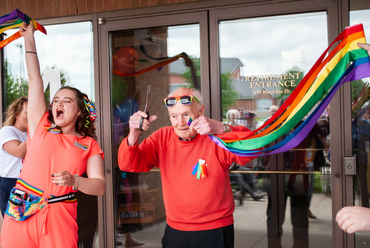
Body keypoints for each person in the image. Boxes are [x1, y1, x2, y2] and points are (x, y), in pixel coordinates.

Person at [1, 21, 106, 248]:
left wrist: (75, 181)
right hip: (21, 209)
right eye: (56, 100)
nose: (58, 103)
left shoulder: (88, 144)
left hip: (60, 214)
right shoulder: (40, 128)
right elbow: (34, 79)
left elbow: (99, 186)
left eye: (66, 101)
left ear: (79, 112)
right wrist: (29, 37)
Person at [118, 87, 257, 248]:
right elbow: (128, 163)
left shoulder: (216, 137)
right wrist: (133, 134)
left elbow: (252, 148)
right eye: (174, 116)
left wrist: (222, 128)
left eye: (186, 114)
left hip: (216, 228)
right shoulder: (162, 137)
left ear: (200, 111)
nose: (181, 123)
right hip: (176, 229)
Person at [0, 96, 28, 217]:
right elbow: (18, 151)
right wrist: (37, 133)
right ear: (17, 113)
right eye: (28, 112)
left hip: (28, 183)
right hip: (12, 183)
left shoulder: (29, 135)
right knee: (12, 223)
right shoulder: (7, 130)